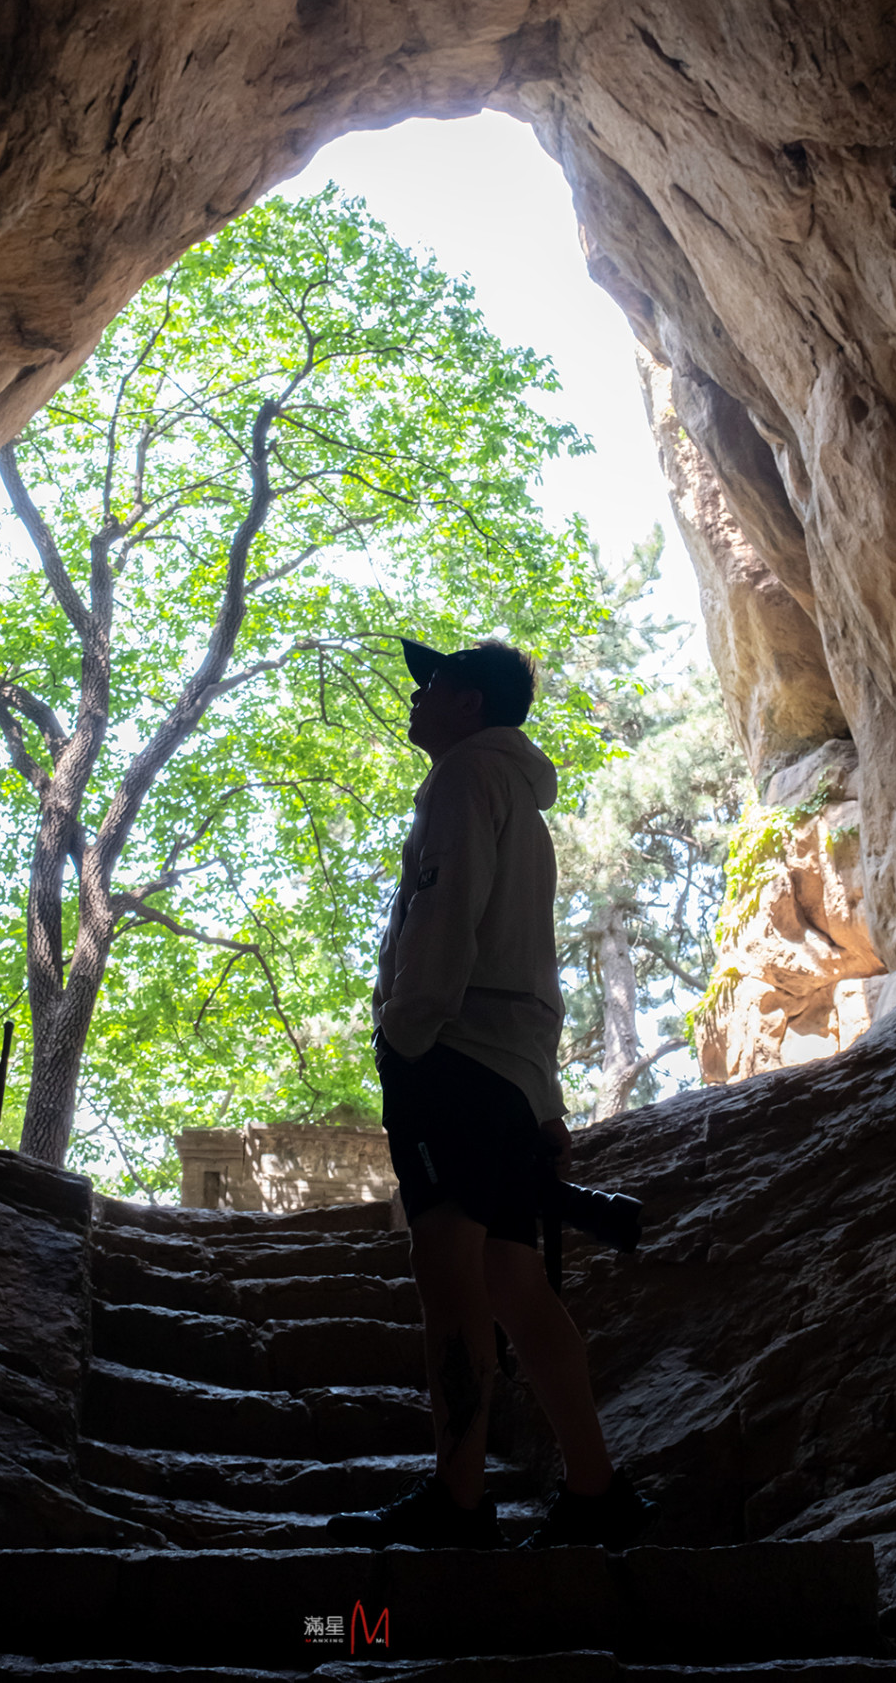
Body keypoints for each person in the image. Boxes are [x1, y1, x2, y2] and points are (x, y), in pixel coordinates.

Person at [326, 637, 654, 1551]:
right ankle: (596, 1491)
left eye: (431, 684)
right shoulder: (519, 794)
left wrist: (404, 1035)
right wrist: (541, 1101)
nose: (417, 696)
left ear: (468, 704)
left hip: (454, 1059)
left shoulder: (463, 777)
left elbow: (445, 913)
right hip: (508, 1070)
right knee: (514, 1278)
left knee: (450, 1273)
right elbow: (526, 955)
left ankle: (459, 1503)